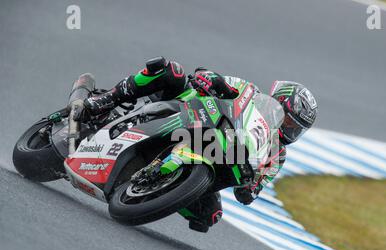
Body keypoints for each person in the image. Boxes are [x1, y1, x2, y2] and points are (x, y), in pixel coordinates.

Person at [76, 56, 318, 232]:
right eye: (288, 121)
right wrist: (210, 81)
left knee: (209, 216)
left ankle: (157, 189)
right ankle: (105, 100)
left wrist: (249, 188)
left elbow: (252, 189)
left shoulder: (277, 155)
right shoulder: (248, 91)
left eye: (296, 129)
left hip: (219, 153)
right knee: (172, 71)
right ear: (279, 102)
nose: (289, 129)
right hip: (189, 110)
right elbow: (211, 77)